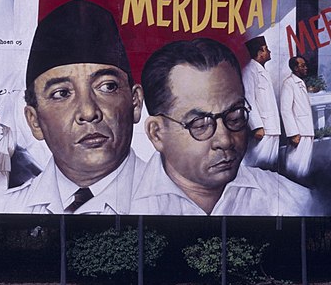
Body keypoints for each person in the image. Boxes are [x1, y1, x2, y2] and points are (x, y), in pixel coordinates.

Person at [131, 38, 314, 216]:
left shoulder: (293, 201)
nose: (225, 140)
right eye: (200, 124)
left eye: (234, 116)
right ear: (157, 133)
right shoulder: (125, 207)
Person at [0, 0, 144, 214]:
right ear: (34, 121)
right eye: (62, 93)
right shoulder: (6, 209)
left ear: (135, 102)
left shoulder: (180, 205)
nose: (88, 112)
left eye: (107, 87)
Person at [241, 36, 280, 172]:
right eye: (266, 49)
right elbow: (247, 99)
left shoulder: (262, 70)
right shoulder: (249, 71)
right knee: (255, 169)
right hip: (263, 130)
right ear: (260, 52)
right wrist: (256, 126)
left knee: (268, 171)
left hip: (272, 128)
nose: (269, 52)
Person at [280, 55, 315, 181]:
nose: (306, 68)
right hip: (298, 133)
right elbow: (285, 110)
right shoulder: (289, 83)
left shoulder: (300, 83)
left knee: (304, 167)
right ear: (295, 68)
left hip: (306, 131)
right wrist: (293, 133)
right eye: (302, 66)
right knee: (294, 166)